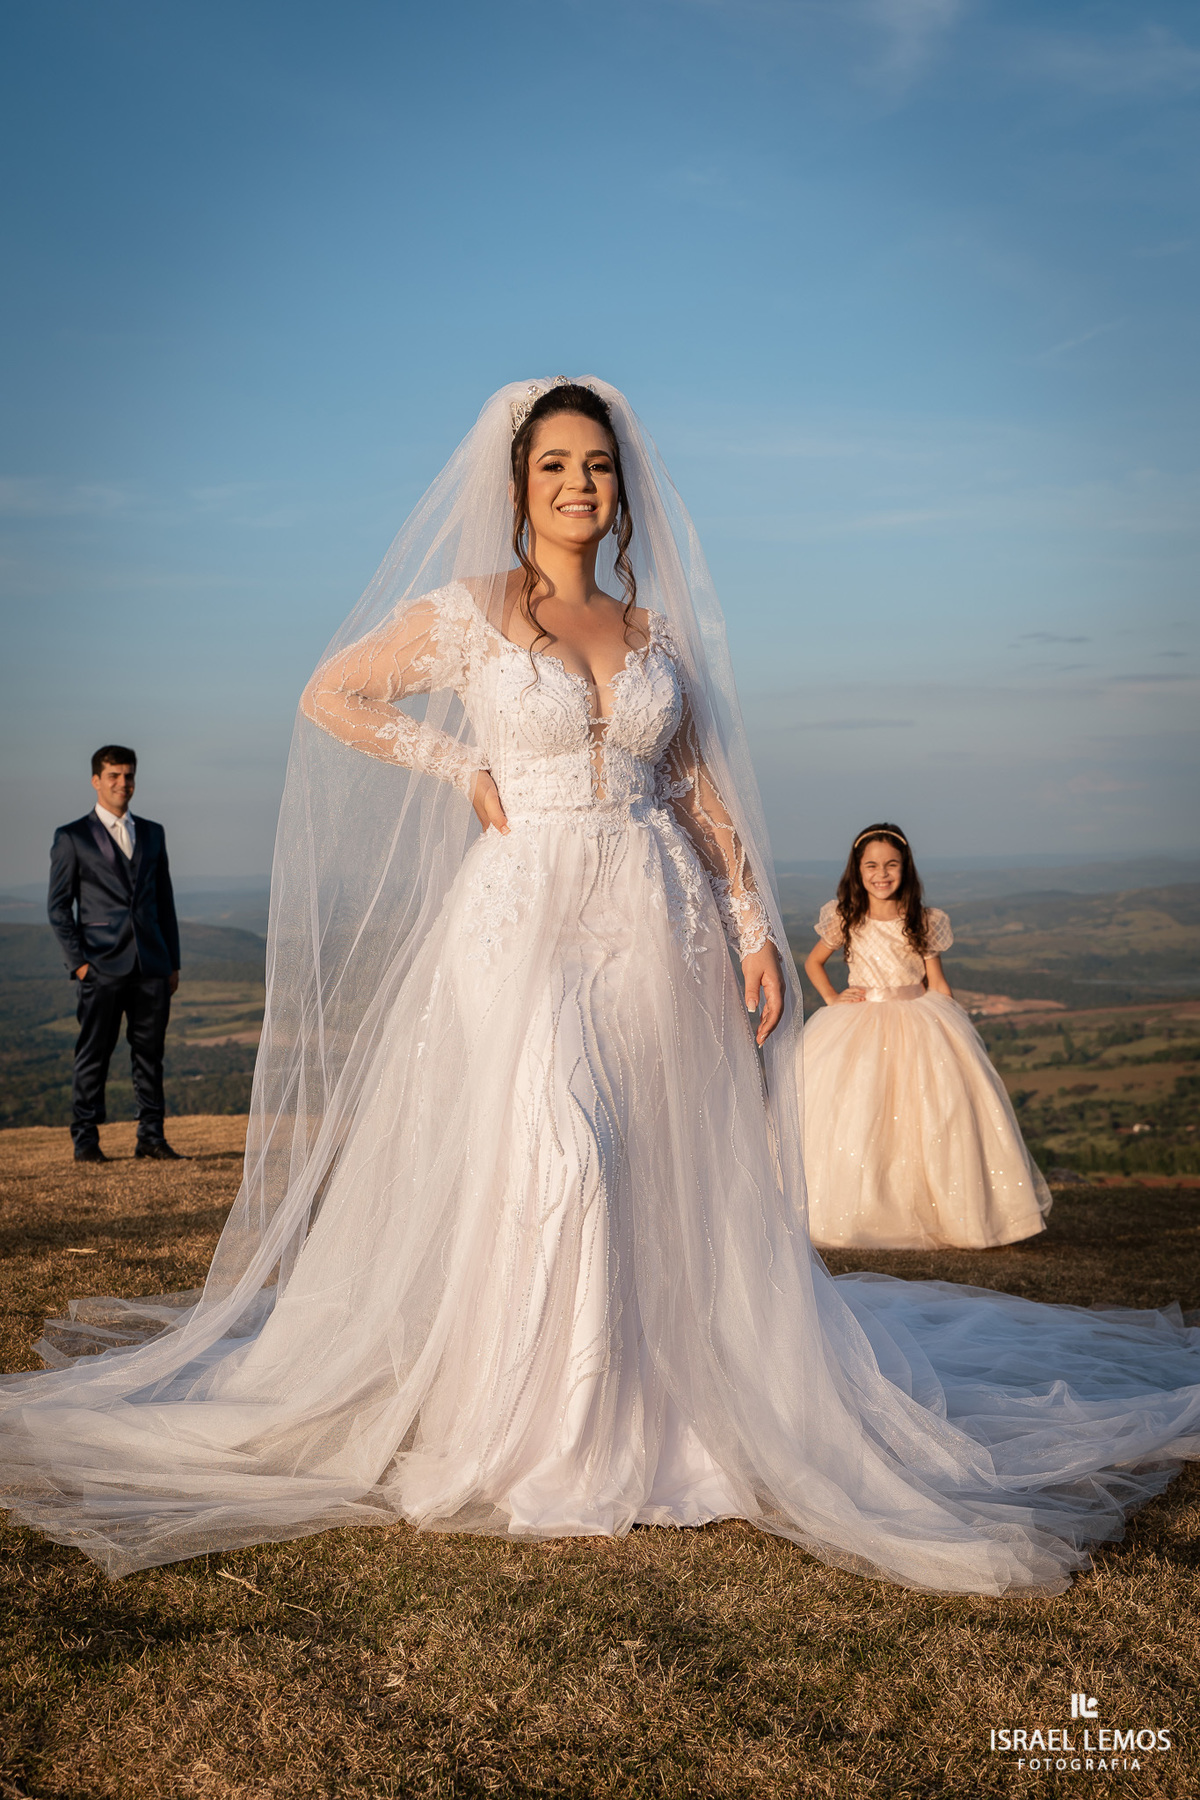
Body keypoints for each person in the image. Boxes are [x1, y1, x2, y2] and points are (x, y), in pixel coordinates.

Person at [3, 379, 1199, 1595]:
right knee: (557, 1143)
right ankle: (538, 1432)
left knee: (647, 1161)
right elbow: (332, 693)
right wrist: (456, 761)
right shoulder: (468, 611)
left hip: (656, 918)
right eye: (557, 465)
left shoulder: (652, 634)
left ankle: (654, 1410)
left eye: (600, 467)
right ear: (518, 485)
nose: (582, 484)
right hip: (521, 919)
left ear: (622, 490)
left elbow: (695, 791)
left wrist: (748, 930)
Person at [801, 824, 1050, 1250]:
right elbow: (813, 962)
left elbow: (937, 981)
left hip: (919, 1018)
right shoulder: (846, 916)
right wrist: (831, 998)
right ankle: (863, 1210)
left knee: (935, 1115)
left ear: (905, 867)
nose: (882, 874)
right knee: (860, 1112)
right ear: (857, 871)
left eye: (891, 865)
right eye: (872, 866)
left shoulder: (923, 919)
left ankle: (942, 1210)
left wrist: (955, 1027)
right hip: (862, 1021)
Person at [46, 745, 183, 1163]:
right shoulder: (72, 837)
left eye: (129, 776)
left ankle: (151, 1137)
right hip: (100, 967)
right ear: (96, 780)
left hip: (152, 966)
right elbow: (58, 907)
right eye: (114, 776)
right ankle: (86, 1140)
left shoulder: (154, 832)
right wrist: (81, 964)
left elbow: (164, 902)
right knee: (93, 1055)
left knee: (150, 1056)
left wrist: (172, 962)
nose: (123, 783)